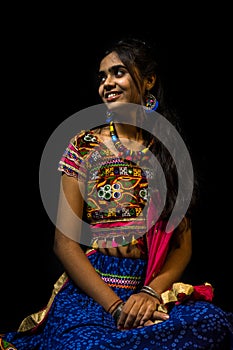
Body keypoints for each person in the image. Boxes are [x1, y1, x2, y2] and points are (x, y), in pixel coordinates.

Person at [1, 37, 233, 350]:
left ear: (148, 80)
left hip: (147, 287)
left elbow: (182, 247)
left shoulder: (168, 150)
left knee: (213, 322)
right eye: (102, 77)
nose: (107, 83)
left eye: (118, 73)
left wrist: (150, 295)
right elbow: (64, 243)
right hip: (94, 290)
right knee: (85, 345)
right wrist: (118, 307)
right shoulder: (84, 146)